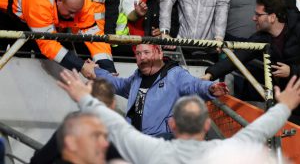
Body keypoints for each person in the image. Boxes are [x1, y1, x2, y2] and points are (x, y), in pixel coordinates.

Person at [58, 69, 300, 164]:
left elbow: (116, 126)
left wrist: (83, 96)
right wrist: (285, 106)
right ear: (207, 124)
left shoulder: (152, 151)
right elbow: (258, 130)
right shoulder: (225, 153)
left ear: (172, 124)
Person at [89, 44, 229, 135]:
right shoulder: (137, 77)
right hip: (134, 139)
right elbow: (117, 84)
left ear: (160, 53)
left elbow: (194, 85)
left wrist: (210, 88)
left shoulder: (175, 74)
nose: (142, 57)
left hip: (160, 141)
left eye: (146, 52)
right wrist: (95, 71)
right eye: (138, 54)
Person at [203, 0, 300, 123]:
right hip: (289, 102)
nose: (254, 18)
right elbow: (237, 57)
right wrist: (209, 75)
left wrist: (292, 71)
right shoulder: (261, 38)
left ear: (272, 17)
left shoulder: (297, 28)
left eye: (258, 15)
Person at [0, 0, 110, 76]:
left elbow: (94, 34)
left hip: (27, 13)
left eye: (76, 12)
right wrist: (82, 66)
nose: (73, 16)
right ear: (59, 1)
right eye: (70, 12)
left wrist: (108, 69)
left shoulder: (79, 2)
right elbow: (48, 44)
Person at [30, 78, 121, 164]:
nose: (103, 143)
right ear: (113, 104)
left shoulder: (73, 127)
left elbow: (39, 160)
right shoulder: (121, 135)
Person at [159, 0, 230, 41]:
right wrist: (164, 31)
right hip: (180, 39)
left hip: (209, 43)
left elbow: (222, 4)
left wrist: (219, 36)